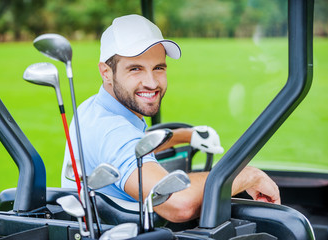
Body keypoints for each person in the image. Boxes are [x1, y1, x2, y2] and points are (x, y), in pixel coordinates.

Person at [61, 14, 280, 223]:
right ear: (106, 72)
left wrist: (187, 135)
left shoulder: (93, 109)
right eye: (135, 69)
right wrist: (248, 176)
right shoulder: (113, 131)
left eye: (158, 68)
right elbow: (178, 202)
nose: (151, 82)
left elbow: (134, 148)